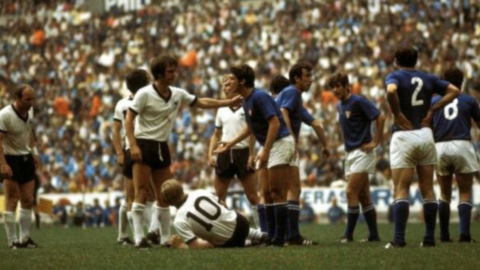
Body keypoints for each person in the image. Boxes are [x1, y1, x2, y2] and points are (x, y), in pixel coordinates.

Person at [125, 55, 242, 249]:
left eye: (174, 70)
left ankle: (163, 239)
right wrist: (133, 145)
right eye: (170, 71)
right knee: (142, 192)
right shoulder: (144, 93)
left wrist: (225, 103)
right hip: (143, 144)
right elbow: (129, 119)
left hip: (162, 146)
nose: (174, 74)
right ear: (159, 74)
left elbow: (201, 102)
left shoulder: (177, 93)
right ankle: (139, 238)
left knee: (164, 194)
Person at [384, 46, 460, 248]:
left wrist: (397, 113)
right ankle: (428, 238)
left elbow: (391, 90)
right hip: (426, 134)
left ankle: (399, 239)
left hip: (404, 135)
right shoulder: (428, 78)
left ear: (397, 61)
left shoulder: (395, 76)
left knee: (401, 188)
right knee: (428, 188)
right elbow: (455, 90)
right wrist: (434, 108)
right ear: (416, 60)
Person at [215, 64, 294, 247]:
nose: (229, 81)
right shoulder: (246, 100)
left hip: (280, 142)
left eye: (233, 79)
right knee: (266, 192)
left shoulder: (259, 97)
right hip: (270, 144)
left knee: (276, 192)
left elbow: (274, 123)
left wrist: (265, 150)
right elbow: (251, 128)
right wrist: (230, 143)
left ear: (242, 81)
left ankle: (279, 239)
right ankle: (272, 236)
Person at [271, 64, 329, 246]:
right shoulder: (292, 92)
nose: (311, 79)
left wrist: (326, 145)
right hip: (282, 142)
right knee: (283, 191)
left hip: (281, 143)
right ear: (296, 78)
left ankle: (290, 235)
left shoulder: (295, 98)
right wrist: (290, 136)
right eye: (307, 76)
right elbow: (283, 112)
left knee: (293, 189)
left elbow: (316, 123)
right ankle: (285, 236)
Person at [327, 72, 384, 243]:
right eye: (332, 88)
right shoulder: (340, 105)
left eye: (338, 86)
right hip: (349, 152)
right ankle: (374, 235)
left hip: (363, 151)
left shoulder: (358, 101)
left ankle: (348, 235)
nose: (335, 90)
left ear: (346, 85)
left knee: (350, 191)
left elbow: (380, 117)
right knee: (363, 195)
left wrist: (376, 141)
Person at [431, 67, 480, 243]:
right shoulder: (468, 100)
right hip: (462, 144)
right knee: (465, 191)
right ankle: (464, 235)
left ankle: (444, 235)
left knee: (444, 193)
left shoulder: (434, 100)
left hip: (440, 146)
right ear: (462, 81)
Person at [207, 74, 260, 227]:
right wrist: (210, 153)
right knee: (219, 197)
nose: (224, 88)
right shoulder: (221, 108)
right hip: (224, 153)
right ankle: (222, 229)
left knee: (252, 196)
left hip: (242, 152)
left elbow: (252, 132)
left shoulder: (247, 105)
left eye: (228, 85)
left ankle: (262, 229)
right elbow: (216, 133)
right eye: (223, 86)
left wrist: (251, 154)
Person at [160, 179, 265, 249]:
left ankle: (251, 243)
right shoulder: (199, 192)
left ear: (168, 202)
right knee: (229, 223)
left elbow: (196, 246)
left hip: (229, 242)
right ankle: (261, 235)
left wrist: (179, 245)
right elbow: (223, 204)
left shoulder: (179, 221)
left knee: (212, 241)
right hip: (242, 222)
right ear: (181, 188)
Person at [112, 69, 150, 245]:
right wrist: (120, 152)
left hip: (145, 147)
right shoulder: (122, 104)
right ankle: (137, 236)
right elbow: (116, 131)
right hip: (131, 149)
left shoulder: (149, 98)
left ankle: (127, 235)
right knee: (133, 195)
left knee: (136, 195)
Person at [0, 84, 39, 249]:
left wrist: (34, 152)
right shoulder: (5, 115)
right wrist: (2, 164)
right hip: (10, 159)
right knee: (12, 200)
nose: (31, 102)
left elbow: (29, 132)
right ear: (17, 98)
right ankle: (12, 241)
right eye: (27, 99)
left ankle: (25, 238)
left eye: (32, 99)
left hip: (26, 157)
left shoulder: (30, 112)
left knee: (28, 199)